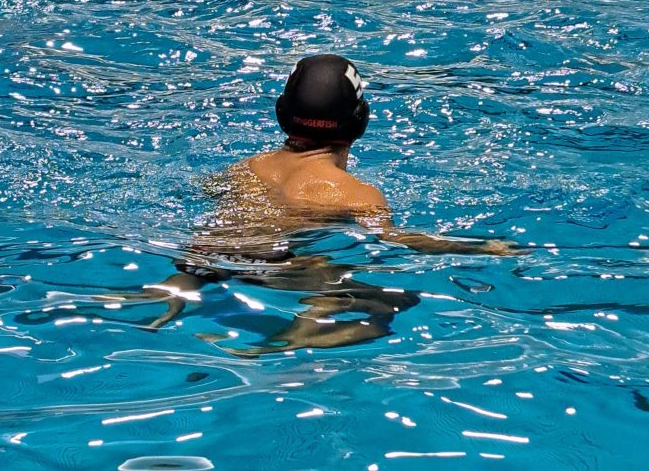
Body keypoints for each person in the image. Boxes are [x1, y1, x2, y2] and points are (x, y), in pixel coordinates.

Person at [100, 54, 516, 354]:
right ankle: (304, 329)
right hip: (278, 268)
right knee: (385, 298)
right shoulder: (357, 193)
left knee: (220, 250)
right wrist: (476, 246)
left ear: (282, 113)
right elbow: (395, 241)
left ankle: (176, 289)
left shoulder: (246, 167)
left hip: (205, 252)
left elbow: (201, 193)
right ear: (360, 121)